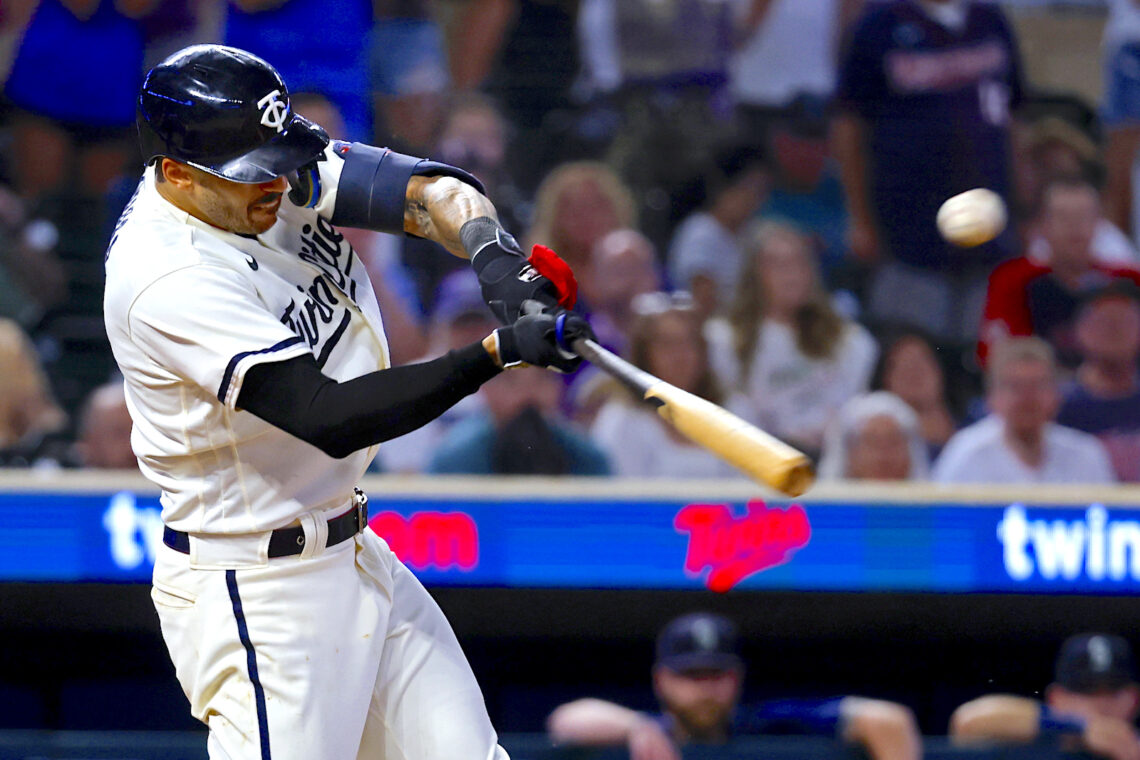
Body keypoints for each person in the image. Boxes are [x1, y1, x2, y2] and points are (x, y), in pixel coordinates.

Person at [104, 45, 594, 760]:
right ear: (176, 173)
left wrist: (493, 256)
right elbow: (328, 416)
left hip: (354, 550)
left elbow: (427, 189)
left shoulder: (258, 168)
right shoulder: (165, 274)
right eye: (252, 174)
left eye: (277, 158)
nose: (275, 183)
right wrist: (495, 353)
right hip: (260, 593)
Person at [833, 0, 1025, 342]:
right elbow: (849, 126)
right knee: (913, 349)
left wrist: (1024, 204)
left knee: (983, 353)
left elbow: (1014, 117)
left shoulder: (990, 20)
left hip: (989, 228)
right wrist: (859, 217)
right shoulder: (879, 24)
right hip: (908, 229)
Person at [547, 612, 921, 760]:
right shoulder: (650, 729)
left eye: (716, 674)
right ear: (661, 680)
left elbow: (888, 720)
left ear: (737, 678)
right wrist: (633, 726)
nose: (705, 688)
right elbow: (565, 720)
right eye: (691, 675)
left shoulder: (767, 726)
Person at [706, 220, 878, 459]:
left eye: (799, 261)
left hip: (835, 459)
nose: (791, 273)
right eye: (777, 264)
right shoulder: (723, 340)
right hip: (762, 461)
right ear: (753, 274)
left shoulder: (850, 341)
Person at [978, 176, 1140, 369]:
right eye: (1063, 217)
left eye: (1083, 216)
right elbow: (997, 356)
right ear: (1042, 225)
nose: (1075, 226)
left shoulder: (1128, 281)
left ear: (1099, 222)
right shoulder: (1014, 279)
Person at [590, 293, 735, 479]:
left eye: (689, 343)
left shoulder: (735, 412)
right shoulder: (623, 421)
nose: (680, 356)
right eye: (667, 344)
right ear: (644, 354)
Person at [933, 337, 1115, 484]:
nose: (1027, 397)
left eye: (1038, 385)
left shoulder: (1086, 454)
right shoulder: (966, 454)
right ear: (991, 398)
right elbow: (942, 523)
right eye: (1015, 386)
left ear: (1056, 395)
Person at [951, 633, 1140, 760]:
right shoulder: (1039, 745)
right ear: (1056, 698)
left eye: (1112, 691)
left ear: (1134, 699)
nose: (1101, 703)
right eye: (1086, 690)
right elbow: (967, 720)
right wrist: (1079, 727)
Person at [429, 365, 610, 476]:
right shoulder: (455, 459)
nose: (528, 394)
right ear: (486, 388)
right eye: (511, 381)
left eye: (542, 378)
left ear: (558, 388)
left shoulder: (587, 457)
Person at [667, 144, 770, 322]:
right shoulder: (700, 233)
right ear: (724, 188)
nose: (754, 199)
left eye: (761, 191)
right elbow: (702, 305)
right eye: (748, 188)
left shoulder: (750, 233)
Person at [1057, 281, 1140, 482]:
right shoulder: (1054, 404)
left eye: (1125, 322)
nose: (1115, 331)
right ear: (1079, 332)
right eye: (1104, 322)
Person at [873, 331, 958, 459]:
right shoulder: (873, 439)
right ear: (886, 379)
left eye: (921, 362)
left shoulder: (976, 421)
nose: (914, 372)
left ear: (939, 370)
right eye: (904, 367)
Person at [817, 391, 930, 481]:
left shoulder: (934, 506)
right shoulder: (818, 508)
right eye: (872, 442)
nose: (884, 454)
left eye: (893, 442)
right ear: (850, 453)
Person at [73, 380, 136, 469]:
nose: (132, 446)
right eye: (119, 434)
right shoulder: (54, 480)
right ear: (90, 440)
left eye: (140, 434)